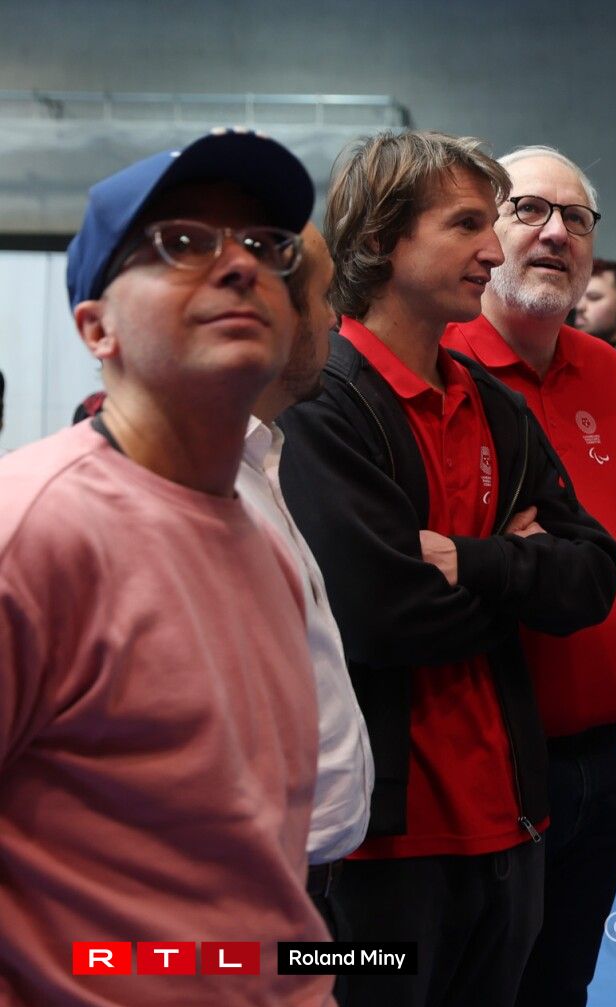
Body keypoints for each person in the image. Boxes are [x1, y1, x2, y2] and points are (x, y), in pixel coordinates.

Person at [277, 130, 616, 1007]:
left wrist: (474, 561)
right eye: (467, 225)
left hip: (507, 830)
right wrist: (519, 572)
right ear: (381, 240)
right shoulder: (323, 404)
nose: (493, 249)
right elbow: (381, 615)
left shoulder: (491, 404)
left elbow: (593, 575)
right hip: (372, 857)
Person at [0, 129, 337, 1007]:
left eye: (265, 244)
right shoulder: (34, 533)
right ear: (96, 329)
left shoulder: (260, 535)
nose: (241, 265)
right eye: (182, 243)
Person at [444, 143, 616, 1007]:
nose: (556, 233)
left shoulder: (608, 371)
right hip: (483, 764)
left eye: (576, 218)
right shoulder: (442, 357)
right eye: (529, 210)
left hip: (600, 762)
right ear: (487, 232)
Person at [236, 222, 374, 933]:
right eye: (323, 299)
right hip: (240, 896)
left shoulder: (260, 458)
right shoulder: (187, 489)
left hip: (304, 876)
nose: (334, 321)